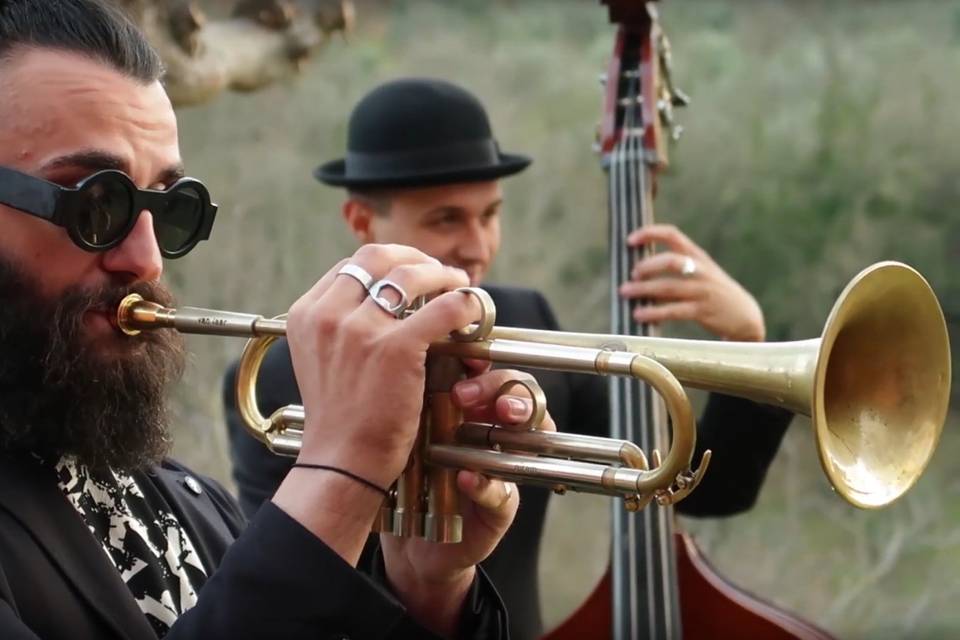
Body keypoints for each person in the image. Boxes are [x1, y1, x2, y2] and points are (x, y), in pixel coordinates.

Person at [0, 4, 534, 638]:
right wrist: (340, 476)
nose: (145, 260)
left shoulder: (183, 501)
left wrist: (427, 586)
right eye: (94, 203)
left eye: (170, 210)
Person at [223, 79, 794, 639]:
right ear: (361, 221)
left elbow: (705, 488)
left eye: (490, 214)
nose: (478, 245)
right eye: (446, 219)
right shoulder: (285, 372)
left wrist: (746, 338)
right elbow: (294, 592)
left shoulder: (528, 318)